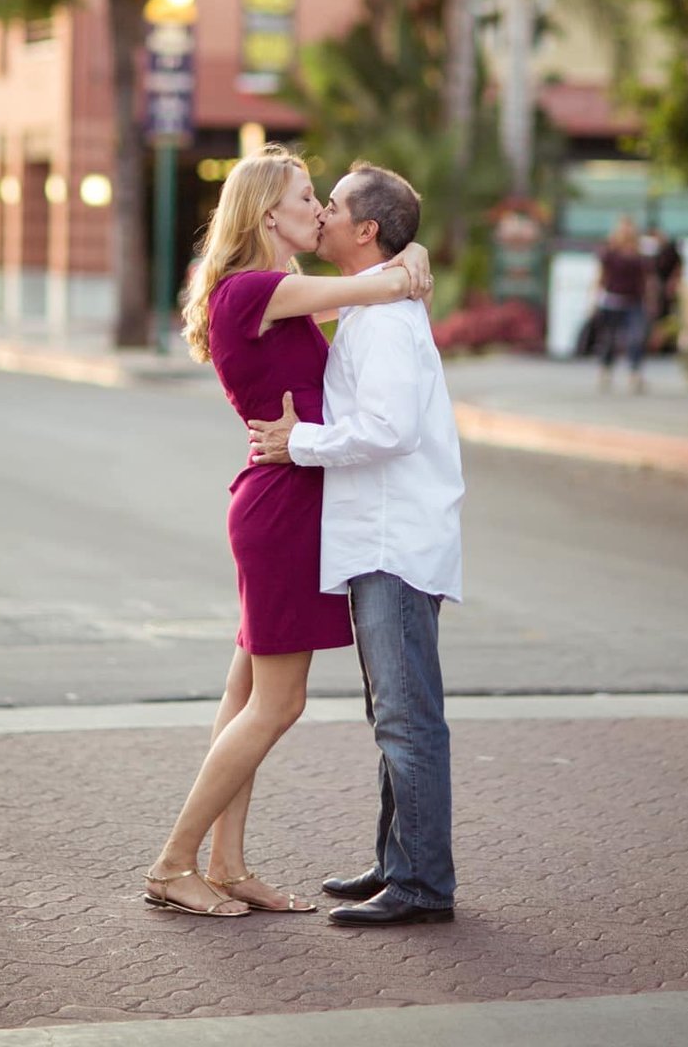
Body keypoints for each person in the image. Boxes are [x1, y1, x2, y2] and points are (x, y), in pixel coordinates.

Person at [144, 146, 431, 921]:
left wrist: (405, 263)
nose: (321, 210)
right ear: (270, 213)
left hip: (286, 498)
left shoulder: (279, 295)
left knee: (244, 696)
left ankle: (228, 863)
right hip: (283, 507)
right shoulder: (257, 290)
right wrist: (409, 263)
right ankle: (173, 863)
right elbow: (376, 284)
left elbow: (366, 291)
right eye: (310, 197)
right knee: (279, 704)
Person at [249, 161, 464, 928]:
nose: (323, 215)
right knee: (392, 714)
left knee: (408, 718)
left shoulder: (387, 324)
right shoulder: (372, 309)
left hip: (395, 542)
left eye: (332, 205)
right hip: (380, 538)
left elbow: (389, 430)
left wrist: (296, 442)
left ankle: (422, 887)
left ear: (366, 230)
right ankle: (396, 862)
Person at [593, 215, 649, 393]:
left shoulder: (640, 253)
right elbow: (600, 276)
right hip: (612, 300)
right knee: (609, 339)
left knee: (635, 337)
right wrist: (594, 298)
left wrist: (649, 300)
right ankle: (606, 369)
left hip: (634, 300)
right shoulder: (609, 252)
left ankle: (634, 373)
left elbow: (647, 279)